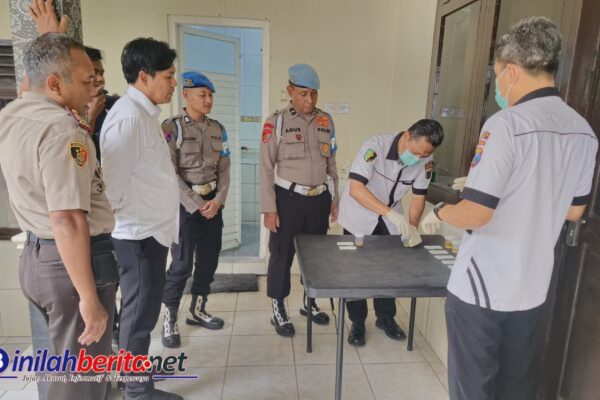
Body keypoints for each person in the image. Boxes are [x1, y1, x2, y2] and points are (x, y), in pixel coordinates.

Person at [420, 17, 598, 400]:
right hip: (531, 288)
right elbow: (573, 211)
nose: (498, 85)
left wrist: (440, 212)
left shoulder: (506, 125)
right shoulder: (583, 131)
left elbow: (476, 214)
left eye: (498, 74)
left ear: (512, 72)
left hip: (482, 288)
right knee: (517, 387)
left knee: (473, 389)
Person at [0, 33, 117, 400]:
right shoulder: (64, 131)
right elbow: (67, 218)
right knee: (82, 379)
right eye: (86, 81)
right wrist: (89, 299)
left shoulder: (13, 113)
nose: (93, 89)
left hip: (36, 258)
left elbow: (30, 80)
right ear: (54, 83)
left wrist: (49, 35)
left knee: (60, 366)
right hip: (72, 264)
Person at [100, 38, 181, 400]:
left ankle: (137, 380)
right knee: (138, 315)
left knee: (143, 313)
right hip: (137, 236)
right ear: (145, 76)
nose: (174, 82)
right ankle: (136, 391)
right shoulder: (129, 119)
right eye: (169, 75)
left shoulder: (143, 114)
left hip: (150, 232)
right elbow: (111, 190)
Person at [338, 119, 443, 346]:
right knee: (355, 271)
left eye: (425, 154)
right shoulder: (375, 146)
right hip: (359, 214)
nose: (419, 158)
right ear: (406, 136)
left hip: (390, 216)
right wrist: (389, 214)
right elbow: (356, 189)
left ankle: (385, 318)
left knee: (388, 270)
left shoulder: (425, 159)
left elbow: (418, 197)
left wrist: (412, 227)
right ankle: (357, 322)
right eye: (416, 152)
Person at [260, 63, 339, 337]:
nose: (310, 100)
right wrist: (269, 208)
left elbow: (331, 163)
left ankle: (309, 301)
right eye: (303, 93)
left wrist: (335, 198)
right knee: (281, 254)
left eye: (314, 94)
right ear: (290, 91)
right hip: (287, 199)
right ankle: (278, 307)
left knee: (315, 256)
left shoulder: (326, 121)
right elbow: (266, 168)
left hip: (319, 199)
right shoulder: (276, 121)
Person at [160, 71, 231, 348]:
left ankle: (198, 309)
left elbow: (224, 169)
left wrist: (219, 200)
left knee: (209, 260)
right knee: (181, 265)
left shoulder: (218, 129)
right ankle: (170, 318)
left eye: (210, 95)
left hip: (213, 202)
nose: (208, 100)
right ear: (186, 95)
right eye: (202, 94)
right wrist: (196, 203)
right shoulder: (172, 128)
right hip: (184, 206)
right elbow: (168, 173)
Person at [84, 46, 119, 162]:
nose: (100, 79)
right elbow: (79, 153)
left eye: (101, 73)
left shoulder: (113, 104)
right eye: (94, 73)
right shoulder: (67, 110)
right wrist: (91, 116)